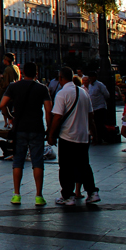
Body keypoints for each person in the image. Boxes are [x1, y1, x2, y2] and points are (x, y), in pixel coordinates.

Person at [0, 62, 52, 207]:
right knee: (37, 162)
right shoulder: (42, 88)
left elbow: (2, 104)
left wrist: (10, 117)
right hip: (36, 128)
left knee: (18, 162)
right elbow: (48, 109)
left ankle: (16, 195)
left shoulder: (14, 87)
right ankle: (39, 196)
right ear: (36, 73)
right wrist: (49, 127)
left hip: (19, 128)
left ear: (22, 72)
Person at [48, 67, 99, 205]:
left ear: (60, 78)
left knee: (65, 167)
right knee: (84, 165)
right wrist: (94, 134)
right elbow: (91, 116)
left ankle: (68, 195)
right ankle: (92, 192)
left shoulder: (62, 94)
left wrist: (51, 134)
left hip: (68, 135)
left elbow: (57, 117)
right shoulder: (83, 92)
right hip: (83, 136)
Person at [84, 73, 110, 140]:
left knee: (99, 123)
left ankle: (103, 137)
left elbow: (106, 94)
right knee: (94, 123)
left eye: (92, 77)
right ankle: (97, 137)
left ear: (95, 77)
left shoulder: (99, 85)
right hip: (92, 108)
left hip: (100, 107)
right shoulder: (89, 85)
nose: (90, 79)